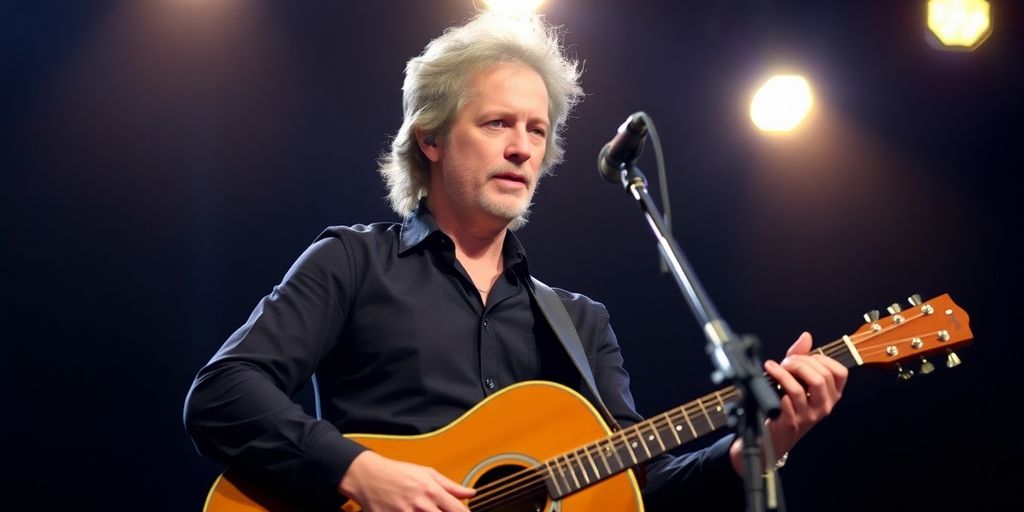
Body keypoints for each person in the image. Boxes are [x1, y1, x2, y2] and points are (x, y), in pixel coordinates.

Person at [183, 12, 847, 511]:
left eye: (537, 130)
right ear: (432, 138)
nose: (524, 148)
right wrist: (359, 470)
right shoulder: (353, 261)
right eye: (498, 123)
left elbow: (641, 489)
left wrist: (761, 445)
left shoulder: (580, 323)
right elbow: (221, 395)